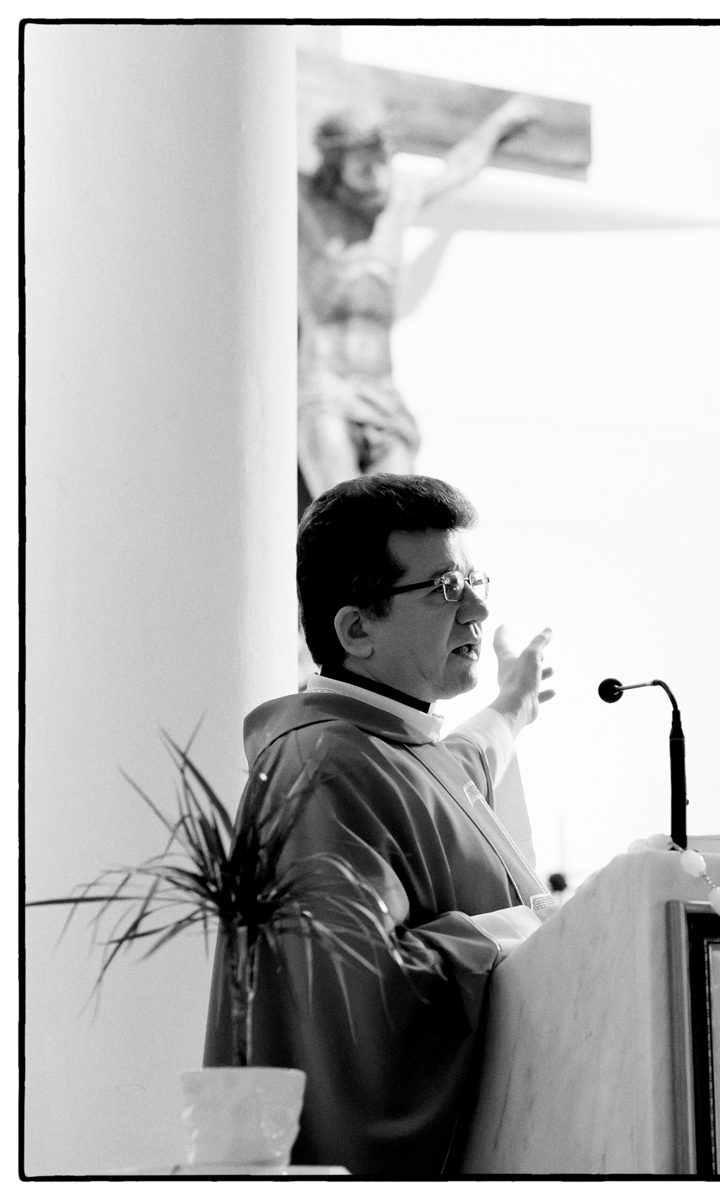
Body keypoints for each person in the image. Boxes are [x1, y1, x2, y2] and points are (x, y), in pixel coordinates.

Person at [203, 474, 555, 1176]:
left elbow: (462, 764)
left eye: (474, 580)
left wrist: (513, 704)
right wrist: (534, 926)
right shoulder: (321, 768)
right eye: (446, 588)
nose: (480, 606)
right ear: (357, 629)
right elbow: (363, 1009)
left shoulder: (391, 748)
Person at [297, 96, 542, 505]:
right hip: (327, 388)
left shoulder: (400, 201)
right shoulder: (309, 205)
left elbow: (458, 167)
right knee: (344, 518)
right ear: (336, 164)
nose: (377, 170)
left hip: (384, 394)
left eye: (382, 158)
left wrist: (499, 124)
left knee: (401, 521)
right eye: (363, 162)